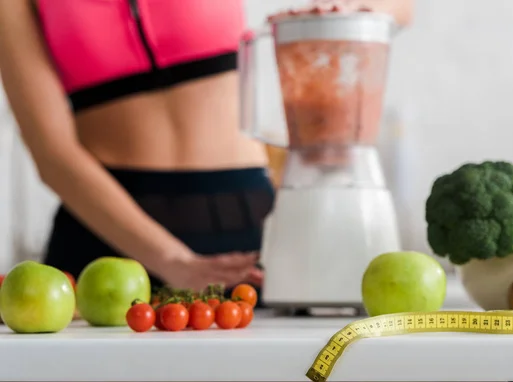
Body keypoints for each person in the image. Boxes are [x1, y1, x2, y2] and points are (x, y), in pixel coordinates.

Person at [0, 0, 412, 305]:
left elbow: (399, 7)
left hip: (242, 230)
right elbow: (52, 153)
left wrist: (343, 12)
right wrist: (173, 260)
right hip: (102, 236)